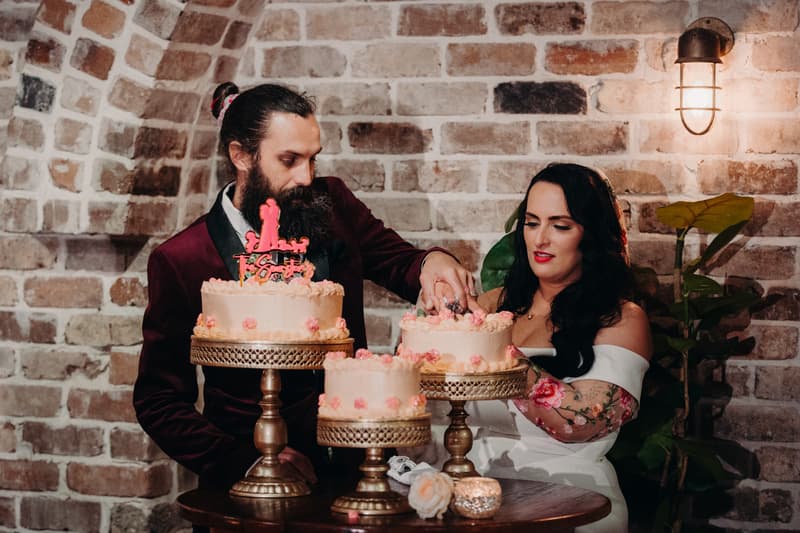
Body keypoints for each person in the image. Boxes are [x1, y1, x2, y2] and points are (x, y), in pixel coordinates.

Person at [133, 82, 475, 492]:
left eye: (312, 159)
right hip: (251, 489)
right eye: (289, 160)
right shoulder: (184, 257)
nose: (306, 176)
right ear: (241, 155)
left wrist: (431, 261)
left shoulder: (332, 204)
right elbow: (159, 400)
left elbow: (398, 261)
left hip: (358, 472)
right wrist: (246, 462)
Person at [414, 163, 652, 532]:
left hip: (571, 498)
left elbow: (580, 422)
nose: (540, 239)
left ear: (591, 235)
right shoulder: (492, 304)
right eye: (531, 222)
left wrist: (491, 347)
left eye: (560, 225)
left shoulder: (622, 319)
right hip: (469, 493)